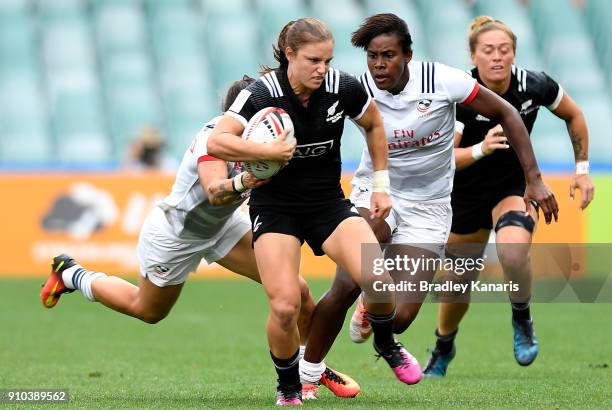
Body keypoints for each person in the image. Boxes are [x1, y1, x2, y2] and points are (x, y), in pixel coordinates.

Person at [297, 13, 559, 395]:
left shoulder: (443, 81)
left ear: (408, 55)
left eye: (388, 55)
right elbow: (299, 106)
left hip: (430, 207)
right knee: (347, 283)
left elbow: (507, 112)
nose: (379, 64)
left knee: (400, 317)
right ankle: (305, 376)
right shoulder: (357, 88)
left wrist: (533, 178)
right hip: (376, 193)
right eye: (372, 56)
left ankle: (383, 327)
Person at [206, 18, 411, 406]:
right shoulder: (260, 93)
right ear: (289, 56)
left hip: (327, 205)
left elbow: (373, 124)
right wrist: (267, 153)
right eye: (313, 60)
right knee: (285, 305)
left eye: (328, 60)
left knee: (378, 280)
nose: (322, 69)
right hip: (276, 209)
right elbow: (218, 141)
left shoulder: (343, 87)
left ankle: (386, 344)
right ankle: (288, 389)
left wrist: (381, 185)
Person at [40, 76, 315, 347]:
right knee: (147, 310)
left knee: (297, 292)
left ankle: (307, 371)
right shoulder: (214, 139)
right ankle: (71, 275)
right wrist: (246, 181)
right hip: (176, 233)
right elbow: (216, 192)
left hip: (223, 226)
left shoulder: (261, 141)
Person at [422, 16, 594, 377]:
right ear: (473, 55)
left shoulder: (535, 85)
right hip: (464, 195)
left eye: (505, 50)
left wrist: (581, 170)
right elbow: (445, 161)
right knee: (456, 282)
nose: (497, 57)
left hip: (515, 188)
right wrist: (482, 149)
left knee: (513, 250)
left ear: (514, 53)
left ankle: (522, 318)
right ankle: (444, 344)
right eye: (488, 51)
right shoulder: (460, 95)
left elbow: (574, 115)